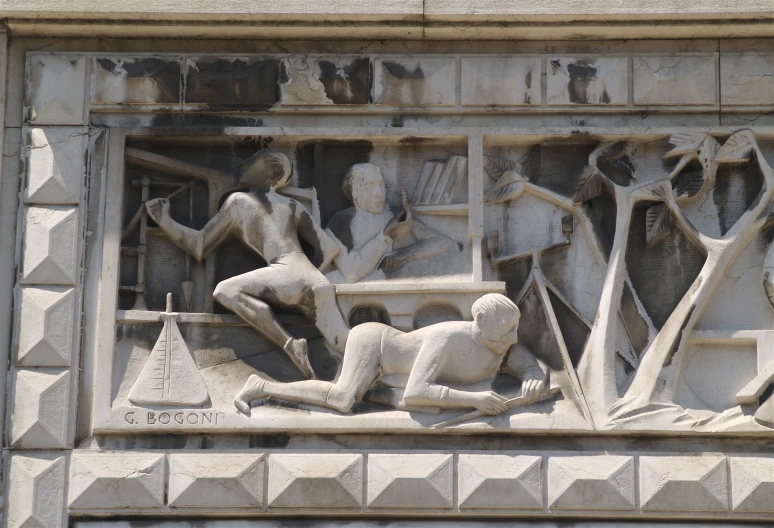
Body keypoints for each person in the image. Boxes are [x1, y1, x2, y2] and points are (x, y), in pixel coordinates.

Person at [145, 148, 348, 380]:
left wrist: (164, 221)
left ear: (273, 171)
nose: (245, 163)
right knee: (344, 342)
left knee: (225, 291)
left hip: (285, 271)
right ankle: (391, 349)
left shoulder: (240, 200)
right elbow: (329, 249)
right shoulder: (292, 205)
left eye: (254, 160)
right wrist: (303, 281)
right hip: (314, 279)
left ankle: (290, 344)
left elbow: (199, 246)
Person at [234, 293, 546, 415]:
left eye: (515, 328)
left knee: (429, 409)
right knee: (343, 399)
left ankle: (379, 393)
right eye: (506, 329)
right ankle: (262, 387)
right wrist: (475, 398)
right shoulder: (448, 337)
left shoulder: (500, 345)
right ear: (480, 322)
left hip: (397, 374)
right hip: (376, 345)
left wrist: (533, 376)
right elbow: (418, 391)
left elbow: (524, 362)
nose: (514, 337)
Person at [325, 162, 458, 284]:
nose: (378, 193)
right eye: (369, 185)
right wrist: (386, 235)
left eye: (380, 184)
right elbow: (351, 274)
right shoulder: (341, 221)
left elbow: (443, 241)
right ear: (354, 192)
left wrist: (403, 255)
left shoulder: (393, 214)